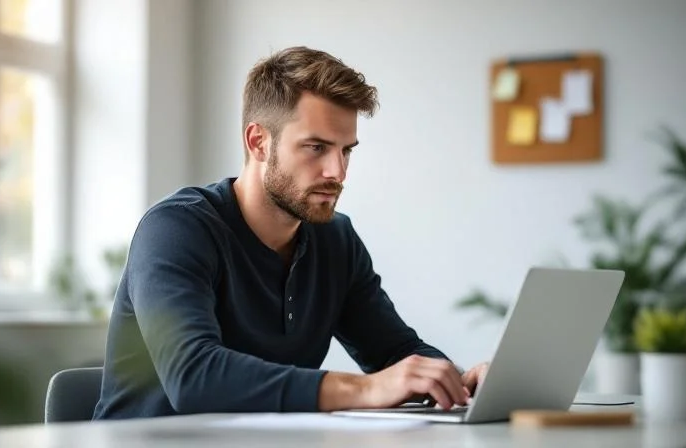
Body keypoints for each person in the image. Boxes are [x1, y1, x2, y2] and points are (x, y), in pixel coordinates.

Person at [92, 46, 488, 420]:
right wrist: (365, 389)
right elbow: (193, 376)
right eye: (316, 147)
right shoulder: (176, 230)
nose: (338, 172)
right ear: (258, 142)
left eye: (346, 150)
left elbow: (394, 352)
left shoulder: (336, 240)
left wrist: (456, 380)